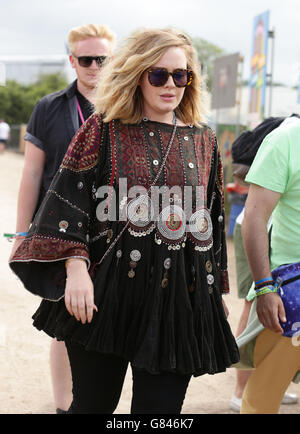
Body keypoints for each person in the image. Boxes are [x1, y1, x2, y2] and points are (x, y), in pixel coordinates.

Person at [9, 28, 239, 414]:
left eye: (181, 75)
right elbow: (69, 202)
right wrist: (76, 269)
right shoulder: (103, 129)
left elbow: (209, 221)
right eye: (158, 74)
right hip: (107, 296)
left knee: (161, 414)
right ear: (136, 74)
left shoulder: (205, 140)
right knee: (93, 406)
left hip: (175, 301)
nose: (171, 84)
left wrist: (212, 288)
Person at [9, 23, 116, 413]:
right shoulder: (49, 108)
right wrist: (23, 233)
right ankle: (62, 405)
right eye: (85, 59)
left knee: (112, 316)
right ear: (72, 60)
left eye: (101, 59)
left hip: (112, 232)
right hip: (57, 231)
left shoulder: (127, 106)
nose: (93, 66)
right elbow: (32, 174)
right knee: (64, 322)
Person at [229, 116, 299, 412]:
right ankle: (238, 389)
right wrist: (264, 287)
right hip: (293, 295)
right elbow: (254, 217)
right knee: (262, 399)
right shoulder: (285, 141)